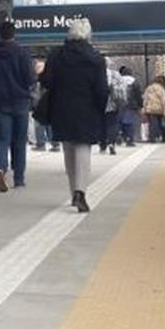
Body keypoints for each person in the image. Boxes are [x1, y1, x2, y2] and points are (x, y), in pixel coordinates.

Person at [40, 19, 108, 213]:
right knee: (83, 148)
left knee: (68, 148)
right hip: (87, 108)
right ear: (88, 35)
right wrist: (100, 108)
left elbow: (47, 81)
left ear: (70, 33)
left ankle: (73, 193)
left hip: (61, 107)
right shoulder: (96, 58)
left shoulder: (56, 55)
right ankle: (80, 192)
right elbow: (102, 89)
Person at [0, 21, 36, 191]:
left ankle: (0, 168)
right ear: (14, 34)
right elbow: (30, 78)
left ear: (0, 34)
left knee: (2, 139)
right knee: (19, 141)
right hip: (20, 102)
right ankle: (19, 179)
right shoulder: (22, 53)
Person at [32, 58, 60, 153]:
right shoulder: (46, 79)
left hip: (41, 105)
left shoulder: (39, 80)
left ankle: (42, 144)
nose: (37, 69)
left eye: (39, 67)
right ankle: (54, 144)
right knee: (48, 125)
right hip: (45, 105)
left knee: (40, 125)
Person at [100, 63, 125, 155]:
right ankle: (111, 143)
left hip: (99, 103)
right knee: (112, 124)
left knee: (101, 124)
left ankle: (102, 144)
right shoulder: (115, 74)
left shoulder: (96, 73)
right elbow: (123, 88)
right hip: (113, 102)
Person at [117, 66, 143, 146]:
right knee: (129, 122)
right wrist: (140, 105)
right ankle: (129, 139)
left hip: (120, 104)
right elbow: (138, 94)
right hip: (131, 105)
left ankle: (119, 135)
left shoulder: (118, 81)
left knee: (119, 121)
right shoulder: (134, 81)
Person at [143, 75, 165, 142]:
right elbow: (164, 100)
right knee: (160, 123)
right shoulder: (161, 89)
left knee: (152, 123)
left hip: (150, 108)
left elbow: (145, 99)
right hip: (160, 108)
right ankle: (161, 137)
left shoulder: (149, 88)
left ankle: (152, 137)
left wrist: (144, 108)